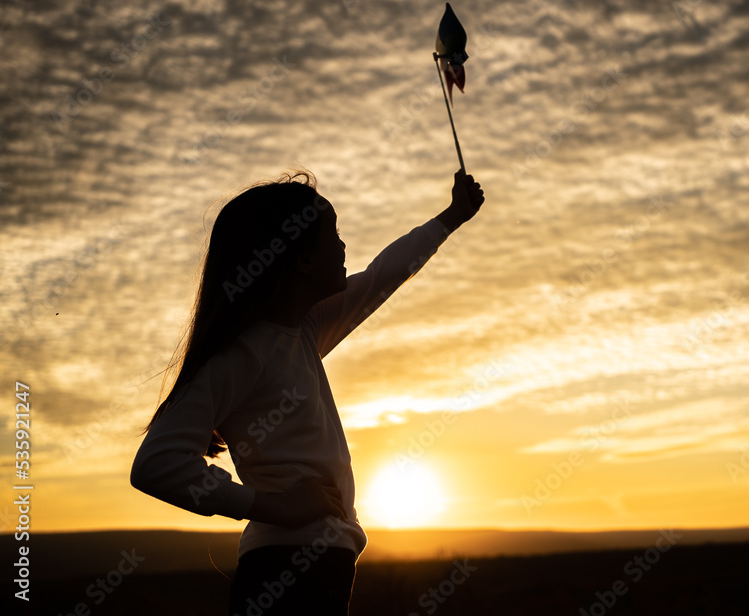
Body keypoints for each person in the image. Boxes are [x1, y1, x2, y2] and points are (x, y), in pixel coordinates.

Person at [130, 167, 484, 615]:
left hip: (316, 570)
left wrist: (451, 217)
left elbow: (383, 275)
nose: (342, 246)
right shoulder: (243, 353)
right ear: (300, 259)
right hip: (286, 574)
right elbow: (155, 465)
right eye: (332, 235)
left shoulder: (304, 329)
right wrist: (270, 506)